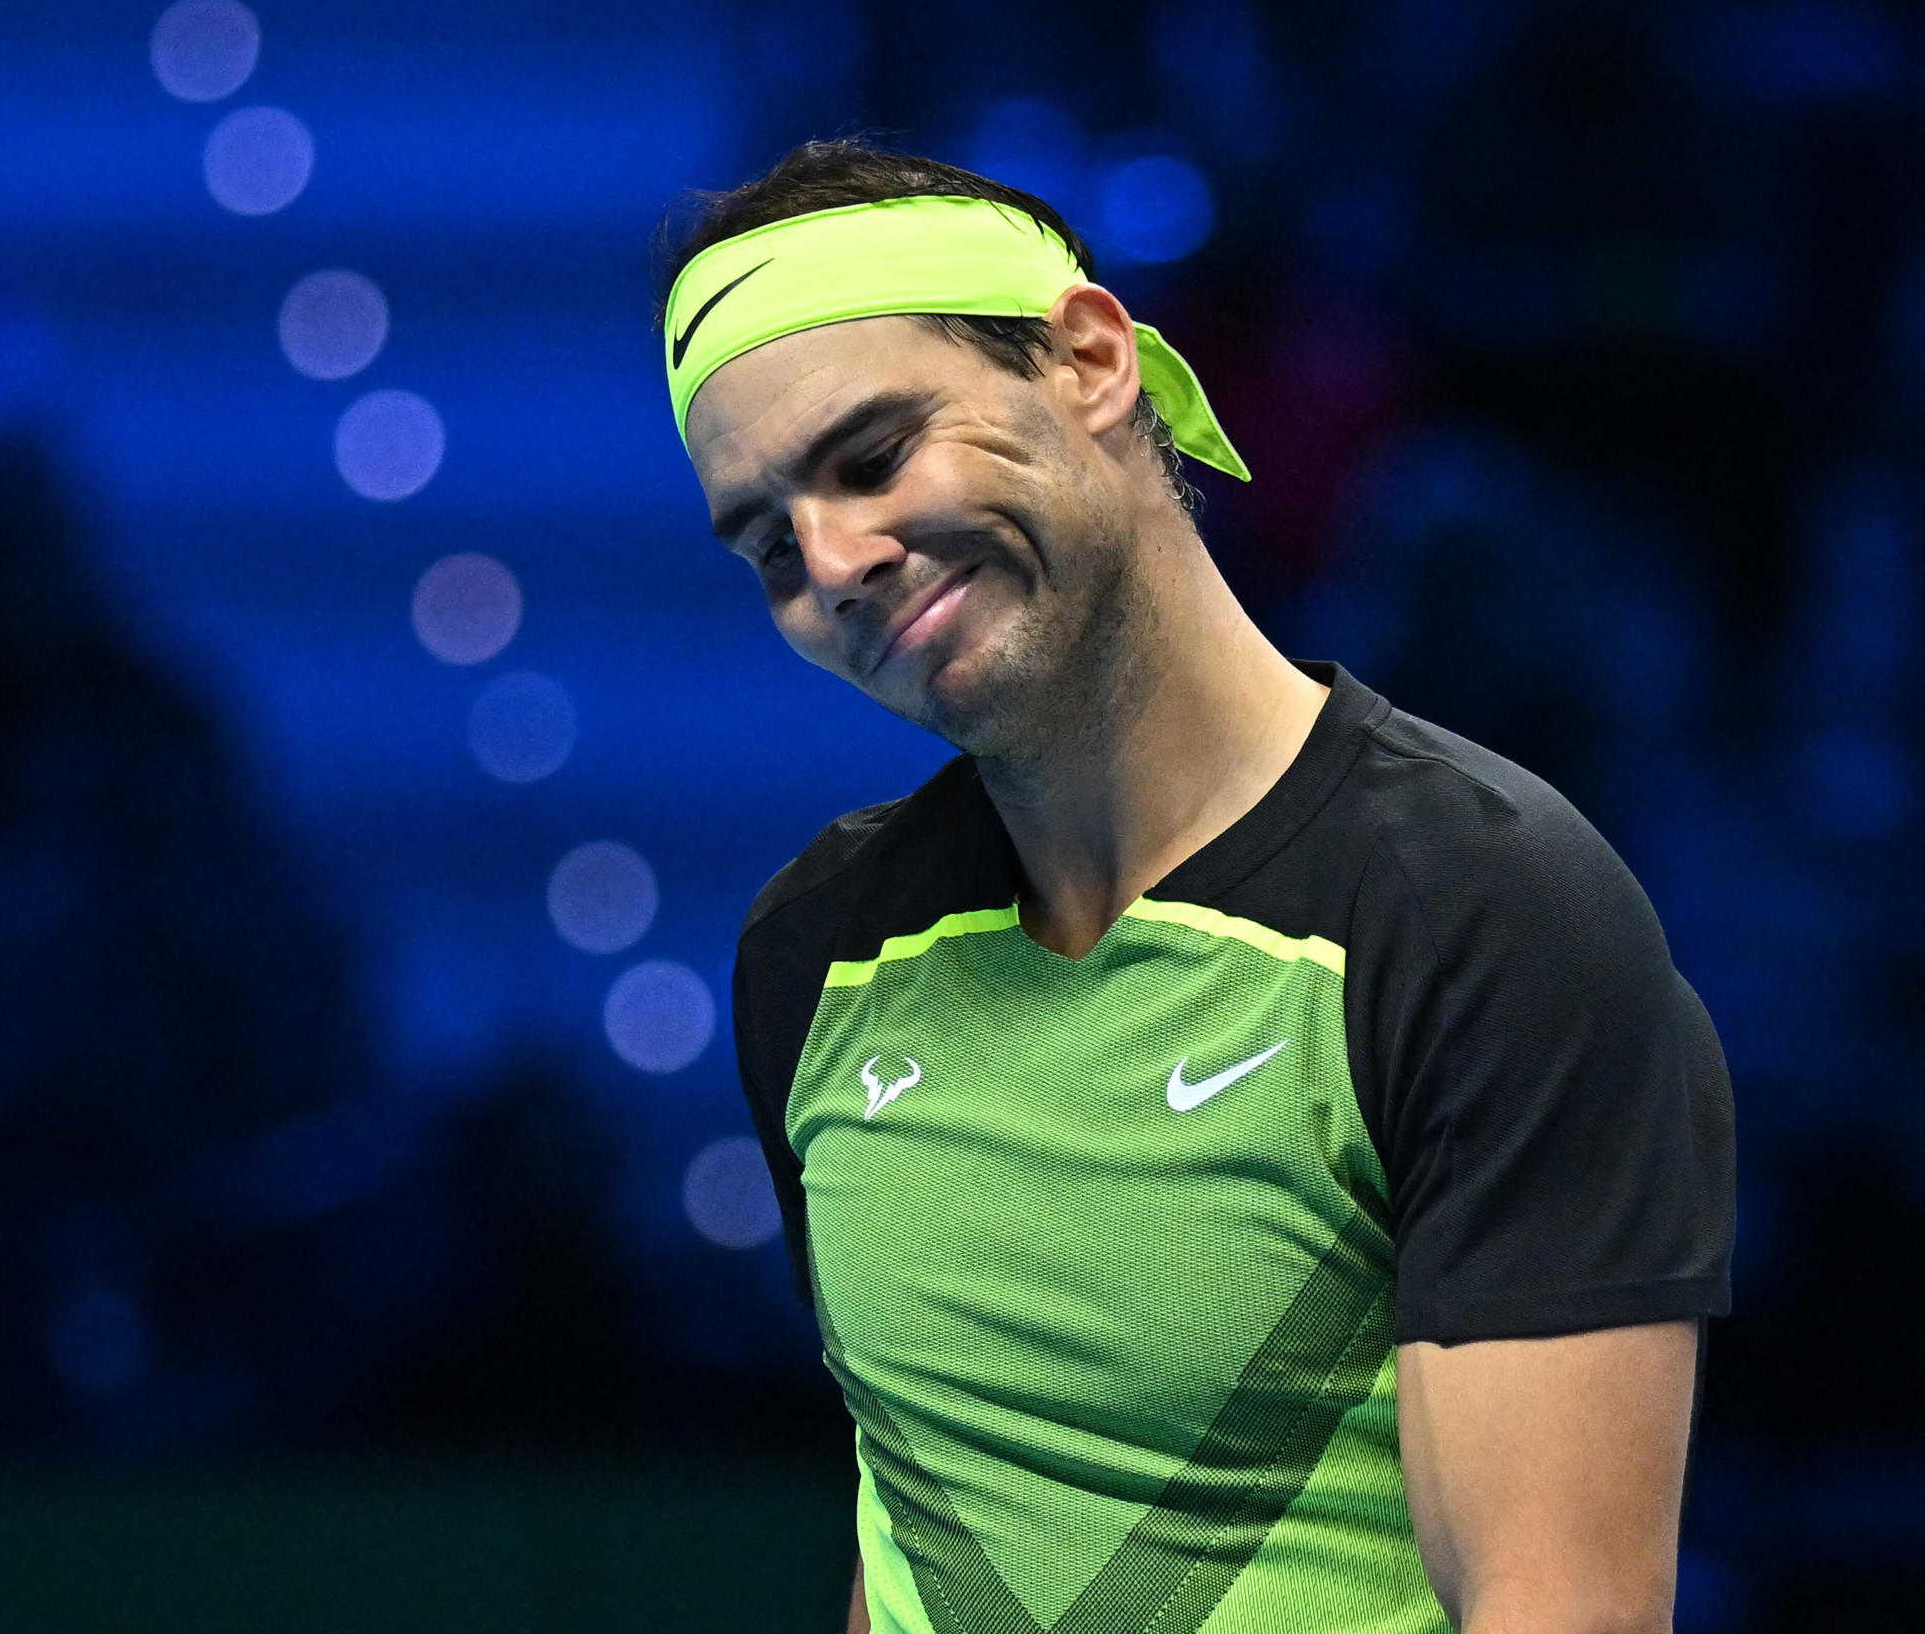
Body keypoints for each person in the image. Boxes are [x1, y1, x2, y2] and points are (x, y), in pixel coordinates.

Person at [661, 142, 1733, 1634]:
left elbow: (1566, 1606)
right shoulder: (817, 954)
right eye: (770, 540)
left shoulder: (1488, 910)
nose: (834, 560)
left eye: (873, 456)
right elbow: (915, 1520)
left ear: (1093, 361)